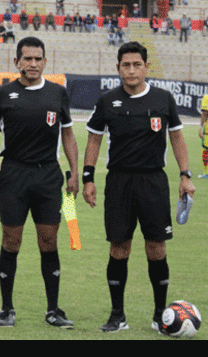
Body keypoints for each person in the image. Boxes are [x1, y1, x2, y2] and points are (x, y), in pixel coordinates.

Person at [82, 41, 196, 333]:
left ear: (147, 66)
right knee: (119, 247)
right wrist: (88, 178)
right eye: (125, 65)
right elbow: (94, 139)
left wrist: (185, 175)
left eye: (136, 64)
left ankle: (160, 316)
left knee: (156, 247)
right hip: (118, 181)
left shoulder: (163, 98)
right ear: (118, 67)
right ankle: (117, 315)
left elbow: (178, 139)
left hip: (153, 181)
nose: (131, 70)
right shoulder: (107, 101)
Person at [0, 36, 79, 328]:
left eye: (38, 59)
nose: (33, 64)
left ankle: (53, 310)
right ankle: (6, 309)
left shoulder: (58, 93)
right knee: (12, 240)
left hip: (48, 175)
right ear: (17, 62)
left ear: (45, 62)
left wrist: (74, 171)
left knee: (49, 240)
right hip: (13, 174)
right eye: (27, 59)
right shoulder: (3, 94)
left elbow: (69, 134)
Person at [198, 94, 208, 178]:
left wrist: (201, 127)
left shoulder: (207, 97)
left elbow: (205, 112)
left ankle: (206, 172)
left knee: (206, 150)